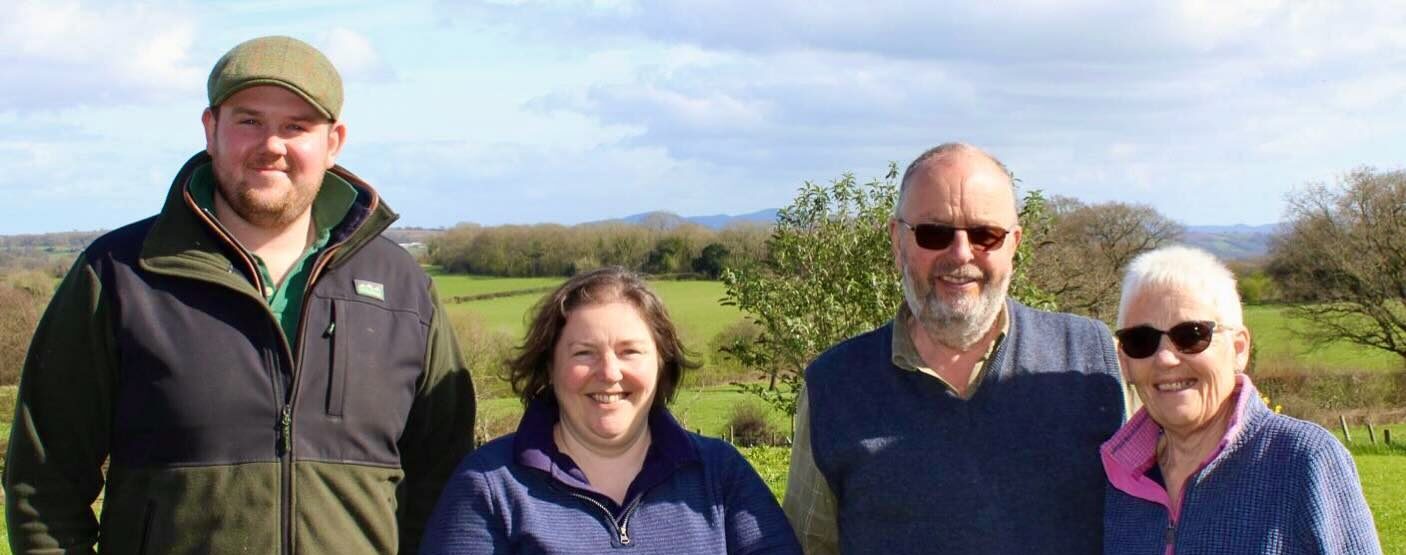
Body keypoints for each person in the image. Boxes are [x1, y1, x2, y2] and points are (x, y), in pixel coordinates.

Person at [4, 36, 475, 554]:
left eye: (296, 126)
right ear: (211, 130)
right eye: (249, 120)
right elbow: (44, 485)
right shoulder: (118, 274)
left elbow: (445, 483)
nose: (272, 144)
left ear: (333, 141)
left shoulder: (403, 288)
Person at [783, 142, 1127, 554]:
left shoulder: (1094, 362)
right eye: (934, 233)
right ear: (897, 241)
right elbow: (809, 545)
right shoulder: (834, 385)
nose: (961, 254)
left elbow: (1161, 516)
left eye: (986, 235)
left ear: (1014, 245)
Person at [420, 267, 801, 554]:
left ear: (662, 364)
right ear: (550, 367)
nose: (609, 373)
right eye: (583, 353)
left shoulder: (720, 473)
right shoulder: (489, 486)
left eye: (629, 351)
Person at [1101, 246, 1381, 554]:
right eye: (1141, 341)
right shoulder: (1111, 482)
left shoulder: (1304, 461)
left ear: (1238, 349)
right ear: (1124, 362)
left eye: (1192, 335)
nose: (1166, 358)